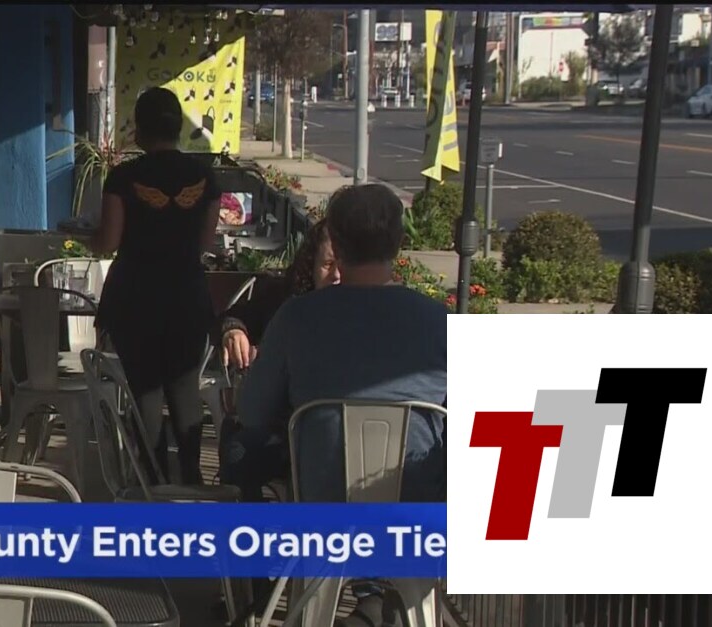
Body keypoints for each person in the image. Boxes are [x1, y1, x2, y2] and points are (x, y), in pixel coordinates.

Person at [223, 183, 447, 504]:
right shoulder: (440, 321)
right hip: (417, 508)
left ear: (336, 245)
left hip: (321, 505)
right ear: (399, 243)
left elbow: (252, 413)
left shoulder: (297, 317)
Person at [90, 87, 222, 484]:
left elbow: (108, 242)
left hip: (135, 298)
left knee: (145, 390)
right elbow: (205, 243)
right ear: (178, 127)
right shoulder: (205, 177)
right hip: (186, 297)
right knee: (184, 388)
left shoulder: (124, 178)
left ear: (140, 129)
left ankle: (151, 482)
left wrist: (86, 237)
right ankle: (193, 479)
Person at [219, 219, 339, 370]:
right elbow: (236, 316)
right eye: (328, 264)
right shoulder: (284, 298)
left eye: (343, 265)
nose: (336, 275)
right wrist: (234, 331)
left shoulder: (363, 315)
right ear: (312, 265)